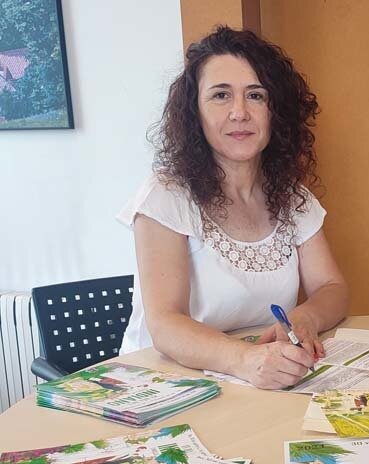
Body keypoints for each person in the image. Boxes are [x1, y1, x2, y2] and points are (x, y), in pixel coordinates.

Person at [117, 27, 348, 389]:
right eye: (221, 95)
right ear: (195, 112)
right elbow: (164, 323)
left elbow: (332, 287)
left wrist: (305, 317)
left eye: (256, 95)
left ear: (276, 112)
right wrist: (244, 360)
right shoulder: (166, 195)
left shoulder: (293, 197)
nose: (240, 112)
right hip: (164, 384)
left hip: (248, 386)